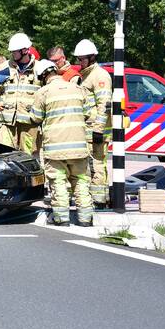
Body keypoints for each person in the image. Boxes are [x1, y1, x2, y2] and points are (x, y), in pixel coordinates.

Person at [30, 60, 97, 226]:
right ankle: (85, 219)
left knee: (58, 182)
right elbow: (89, 113)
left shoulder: (43, 92)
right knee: (81, 181)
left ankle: (61, 219)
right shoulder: (78, 89)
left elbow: (35, 117)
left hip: (55, 150)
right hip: (79, 148)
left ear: (43, 75)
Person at [74, 39, 112, 207]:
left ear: (91, 57)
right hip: (87, 129)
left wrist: (98, 130)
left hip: (96, 130)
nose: (79, 62)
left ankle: (99, 201)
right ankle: (95, 198)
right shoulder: (86, 75)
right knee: (90, 165)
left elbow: (105, 104)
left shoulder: (100, 75)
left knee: (97, 164)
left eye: (82, 59)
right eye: (78, 59)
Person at [0, 33, 41, 154]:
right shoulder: (4, 67)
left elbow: (45, 93)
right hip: (7, 121)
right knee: (5, 154)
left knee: (29, 154)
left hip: (30, 122)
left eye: (15, 51)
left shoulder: (38, 68)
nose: (12, 54)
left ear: (24, 50)